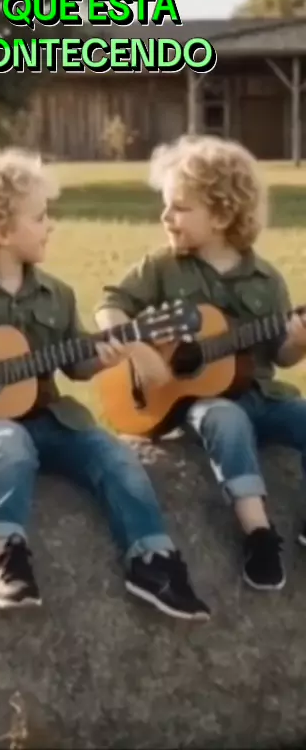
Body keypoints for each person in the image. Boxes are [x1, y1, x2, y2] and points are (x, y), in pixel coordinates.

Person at [0, 144, 209, 620]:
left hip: (52, 419)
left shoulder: (57, 294)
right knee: (8, 445)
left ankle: (152, 559)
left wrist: (110, 354)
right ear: (3, 231)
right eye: (40, 216)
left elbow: (77, 365)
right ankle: (5, 553)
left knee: (113, 455)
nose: (51, 225)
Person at [95, 134, 306, 593]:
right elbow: (110, 306)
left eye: (179, 208)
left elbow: (280, 356)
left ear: (223, 215)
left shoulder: (266, 279)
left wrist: (299, 343)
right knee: (225, 417)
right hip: (198, 403)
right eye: (166, 206)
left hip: (262, 395)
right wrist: (139, 351)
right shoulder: (163, 266)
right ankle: (259, 534)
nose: (165, 217)